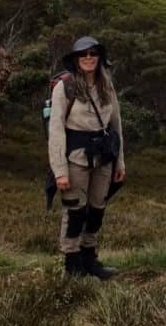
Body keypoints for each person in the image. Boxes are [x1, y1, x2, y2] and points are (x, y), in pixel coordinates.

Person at [48, 36, 126, 280]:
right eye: (84, 54)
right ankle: (72, 264)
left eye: (93, 53)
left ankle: (90, 258)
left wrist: (120, 160)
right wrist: (59, 171)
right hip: (76, 158)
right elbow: (56, 129)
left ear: (100, 56)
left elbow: (116, 124)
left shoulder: (107, 85)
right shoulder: (66, 87)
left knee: (97, 210)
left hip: (103, 157)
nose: (89, 58)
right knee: (75, 212)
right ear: (76, 59)